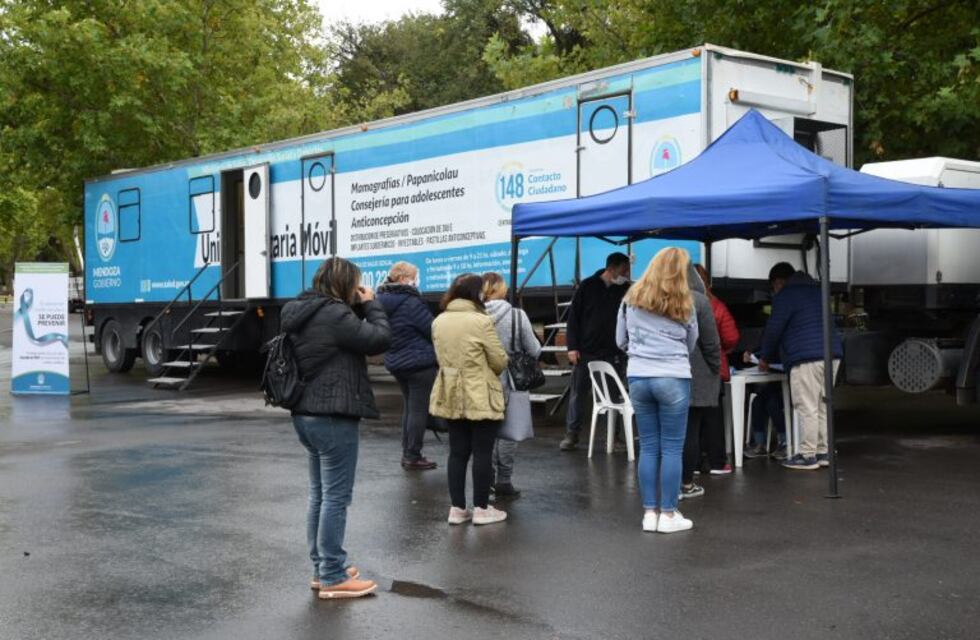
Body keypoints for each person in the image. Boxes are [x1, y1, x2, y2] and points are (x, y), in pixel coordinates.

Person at [281, 257, 391, 600]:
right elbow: (378, 339)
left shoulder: (301, 311)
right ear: (344, 284)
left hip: (305, 413)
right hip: (332, 414)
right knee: (336, 497)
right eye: (355, 283)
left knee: (320, 494)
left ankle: (322, 568)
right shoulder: (334, 314)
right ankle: (332, 574)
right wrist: (371, 305)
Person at [616, 247, 698, 534]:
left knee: (649, 446)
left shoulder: (630, 300)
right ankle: (669, 514)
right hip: (673, 376)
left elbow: (620, 340)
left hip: (639, 376)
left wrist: (641, 352)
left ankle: (649, 513)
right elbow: (692, 342)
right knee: (672, 447)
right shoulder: (685, 302)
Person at [430, 273, 510, 525]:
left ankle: (457, 509)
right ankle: (482, 508)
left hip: (450, 391)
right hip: (480, 392)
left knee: (457, 452)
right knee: (482, 452)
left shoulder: (439, 321)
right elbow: (499, 360)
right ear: (477, 294)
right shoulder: (481, 321)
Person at [759, 262, 843, 470]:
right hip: (832, 354)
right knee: (823, 404)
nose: (774, 291)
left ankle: (807, 455)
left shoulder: (785, 296)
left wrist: (765, 357)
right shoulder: (818, 291)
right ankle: (823, 451)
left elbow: (773, 330)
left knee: (807, 406)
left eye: (773, 286)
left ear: (779, 282)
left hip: (807, 358)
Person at [560, 252, 632, 451]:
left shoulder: (625, 289)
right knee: (578, 393)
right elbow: (573, 319)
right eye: (624, 270)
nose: (626, 274)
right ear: (612, 268)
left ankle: (613, 436)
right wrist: (572, 347)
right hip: (586, 351)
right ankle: (571, 434)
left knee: (614, 395)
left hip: (613, 351)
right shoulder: (587, 286)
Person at [482, 272, 542, 498]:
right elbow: (534, 349)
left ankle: (485, 479)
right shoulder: (517, 315)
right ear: (502, 289)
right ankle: (504, 481)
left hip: (481, 380)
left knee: (485, 433)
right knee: (509, 432)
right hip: (512, 382)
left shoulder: (475, 315)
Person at [377, 261, 439, 471]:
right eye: (414, 277)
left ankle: (408, 452)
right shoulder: (411, 302)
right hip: (419, 362)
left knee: (410, 408)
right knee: (418, 410)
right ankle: (413, 454)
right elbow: (432, 330)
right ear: (403, 279)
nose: (417, 281)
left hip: (397, 361)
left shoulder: (381, 300)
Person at [679, 263, 722, 500]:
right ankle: (686, 483)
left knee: (659, 436)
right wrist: (715, 367)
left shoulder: (648, 298)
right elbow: (710, 342)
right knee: (690, 431)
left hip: (652, 375)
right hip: (694, 376)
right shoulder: (699, 301)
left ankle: (659, 489)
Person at [694, 263, 740, 475]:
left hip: (685, 369)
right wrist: (723, 350)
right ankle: (717, 462)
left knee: (690, 420)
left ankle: (692, 464)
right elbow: (731, 337)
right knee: (713, 417)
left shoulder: (676, 305)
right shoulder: (715, 305)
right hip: (712, 368)